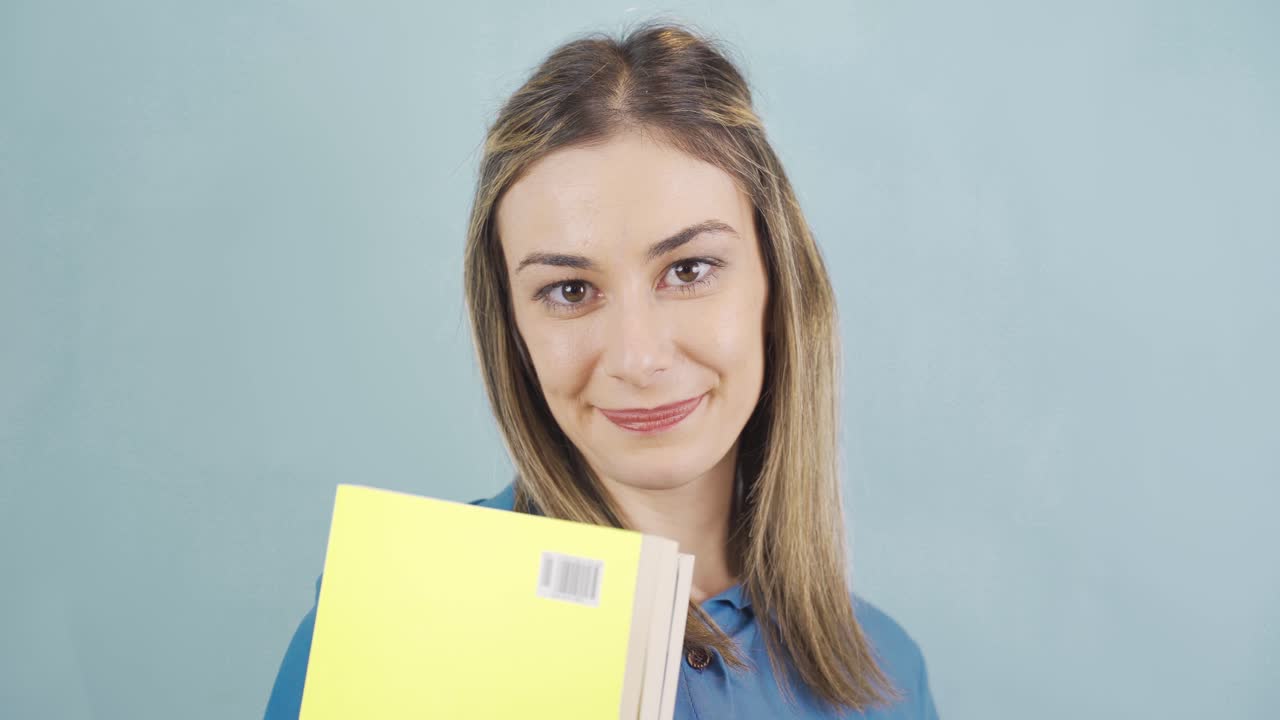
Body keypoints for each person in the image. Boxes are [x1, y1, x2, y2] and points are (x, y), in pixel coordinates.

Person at [265, 19, 939, 719]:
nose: (637, 359)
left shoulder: (887, 674)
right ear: (514, 329)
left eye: (689, 269)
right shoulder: (389, 631)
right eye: (570, 291)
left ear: (777, 283)